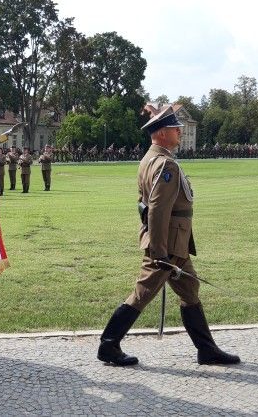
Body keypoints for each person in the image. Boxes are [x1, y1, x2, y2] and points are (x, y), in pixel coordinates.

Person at [97, 109, 240, 367]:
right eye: (176, 129)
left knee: (190, 290)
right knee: (142, 293)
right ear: (162, 133)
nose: (180, 132)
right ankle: (108, 345)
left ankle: (207, 350)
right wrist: (160, 253)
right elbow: (158, 210)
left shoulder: (150, 159)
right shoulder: (166, 165)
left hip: (176, 243)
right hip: (167, 245)